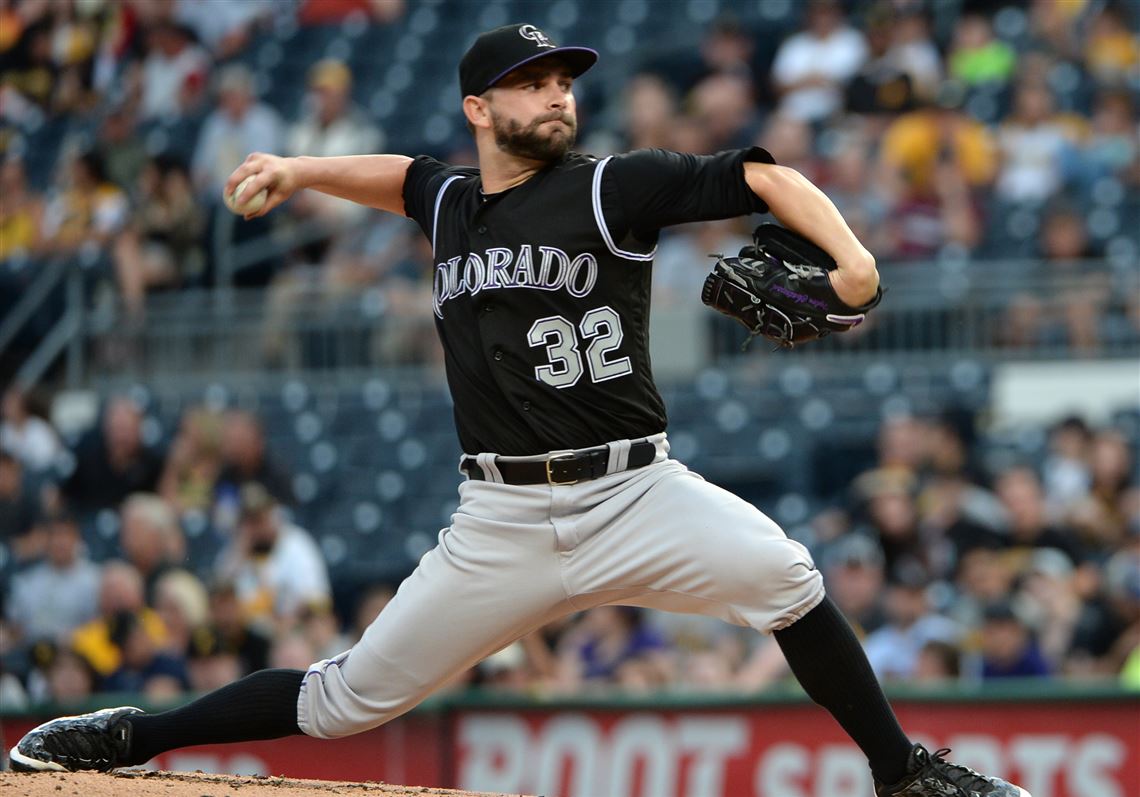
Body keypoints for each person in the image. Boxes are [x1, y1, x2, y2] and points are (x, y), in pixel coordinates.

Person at [8, 23, 1030, 797]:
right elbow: (400, 179)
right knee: (342, 700)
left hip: (635, 488)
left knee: (789, 578)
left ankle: (902, 773)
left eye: (562, 83)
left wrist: (852, 260)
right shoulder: (451, 202)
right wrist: (299, 168)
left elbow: (764, 172)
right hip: (499, 519)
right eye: (528, 84)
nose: (555, 96)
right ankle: (131, 735)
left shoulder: (611, 190)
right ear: (478, 109)